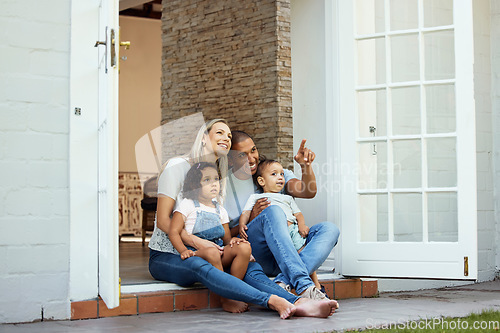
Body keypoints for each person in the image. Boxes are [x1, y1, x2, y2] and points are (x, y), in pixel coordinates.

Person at [148, 119, 338, 319]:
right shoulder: (177, 166)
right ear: (203, 138)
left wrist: (231, 242)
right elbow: (162, 221)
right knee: (199, 265)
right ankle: (275, 300)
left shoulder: (218, 176)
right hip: (170, 254)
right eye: (220, 133)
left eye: (229, 136)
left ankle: (299, 302)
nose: (226, 138)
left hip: (215, 250)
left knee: (250, 266)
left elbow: (220, 228)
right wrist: (198, 243)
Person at [225, 130, 340, 300]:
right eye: (242, 155)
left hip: (290, 251)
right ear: (230, 159)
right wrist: (252, 218)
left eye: (253, 151)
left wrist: (305, 166)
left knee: (329, 229)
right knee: (273, 212)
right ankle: (304, 284)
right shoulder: (224, 187)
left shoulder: (274, 172)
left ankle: (284, 281)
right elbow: (224, 235)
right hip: (258, 255)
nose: (251, 159)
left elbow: (307, 191)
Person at [238, 159, 322, 290]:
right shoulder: (255, 197)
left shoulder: (287, 198)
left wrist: (302, 225)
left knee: (303, 255)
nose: (280, 177)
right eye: (274, 174)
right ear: (261, 181)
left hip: (293, 231)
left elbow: (298, 214)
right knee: (274, 214)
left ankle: (314, 283)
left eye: (282, 174)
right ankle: (302, 285)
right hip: (274, 234)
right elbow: (246, 212)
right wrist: (242, 225)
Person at [169, 162, 252, 284]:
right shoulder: (188, 204)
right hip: (197, 253)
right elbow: (173, 231)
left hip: (218, 252)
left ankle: (235, 286)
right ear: (194, 185)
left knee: (244, 247)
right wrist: (183, 251)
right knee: (212, 252)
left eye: (216, 179)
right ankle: (226, 294)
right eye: (207, 180)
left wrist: (234, 241)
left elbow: (226, 240)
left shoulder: (221, 210)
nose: (214, 184)